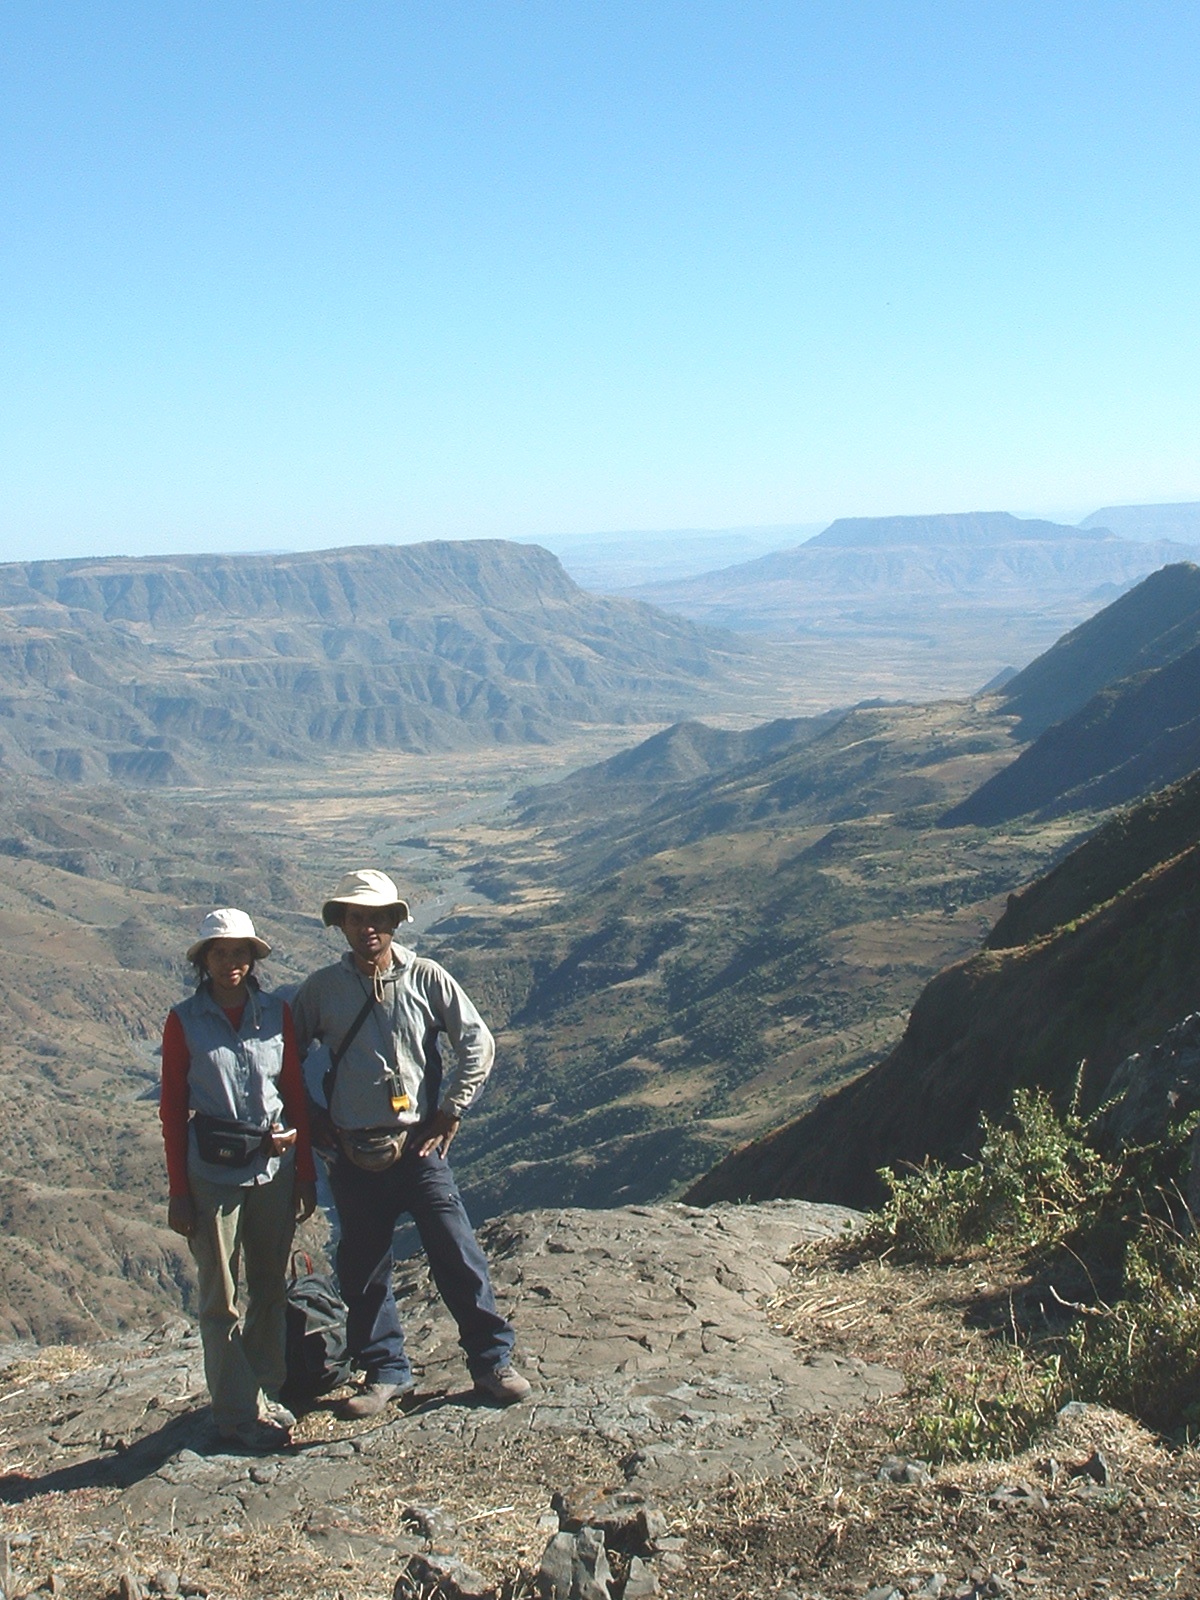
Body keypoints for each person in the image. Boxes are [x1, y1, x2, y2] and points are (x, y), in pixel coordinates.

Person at [292, 869, 529, 1418]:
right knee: (363, 1265)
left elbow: (478, 1041)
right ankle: (385, 1371)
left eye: (377, 918)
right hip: (353, 1153)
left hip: (417, 1145)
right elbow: (288, 1054)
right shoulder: (322, 990)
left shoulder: (426, 977)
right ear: (343, 925)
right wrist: (311, 1116)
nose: (367, 928)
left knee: (456, 1249)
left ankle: (492, 1360)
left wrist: (451, 1109)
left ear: (394, 922)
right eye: (357, 918)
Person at [160, 908, 317, 1450]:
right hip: (213, 1178)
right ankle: (233, 1410)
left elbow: (294, 1092)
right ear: (204, 960)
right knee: (220, 1296)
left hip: (273, 1172)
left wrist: (305, 1170)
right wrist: (179, 1190)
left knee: (270, 1286)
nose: (232, 962)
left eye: (240, 953)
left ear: (253, 960)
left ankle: (264, 1392)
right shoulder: (184, 1021)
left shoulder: (276, 1014)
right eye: (220, 952)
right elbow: (173, 1110)